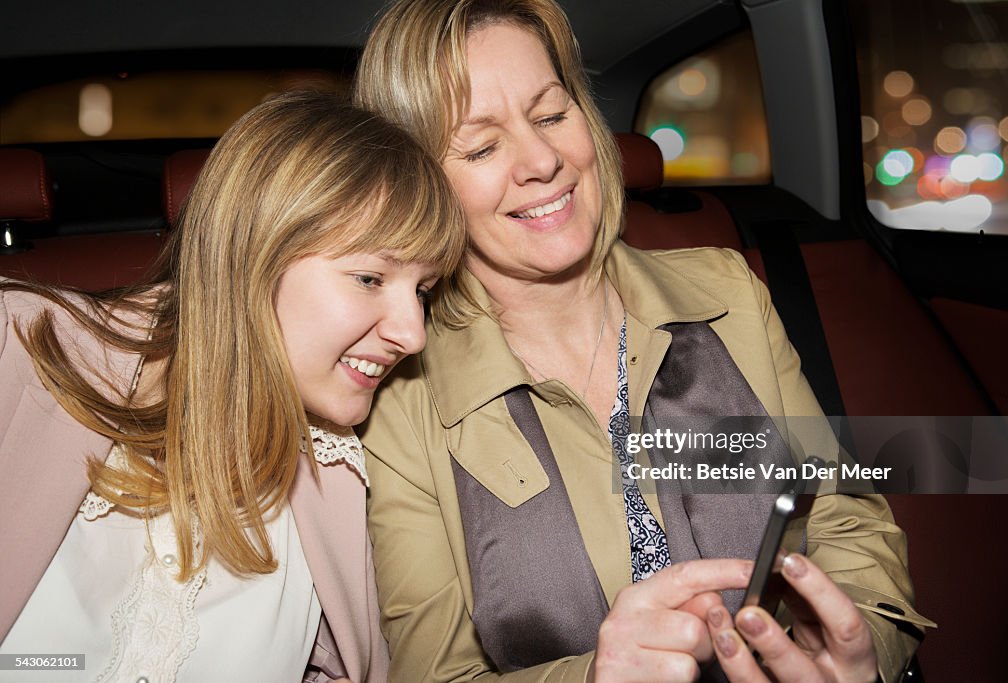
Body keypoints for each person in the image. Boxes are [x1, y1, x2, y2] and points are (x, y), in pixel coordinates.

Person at [354, 2, 931, 682]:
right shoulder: (399, 393)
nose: (542, 160)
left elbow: (837, 518)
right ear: (419, 185)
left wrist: (858, 649)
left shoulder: (728, 292)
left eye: (551, 115)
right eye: (481, 146)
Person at [0, 91, 464, 682]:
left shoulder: (347, 470)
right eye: (370, 277)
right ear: (253, 253)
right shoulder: (17, 344)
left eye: (423, 290)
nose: (412, 335)